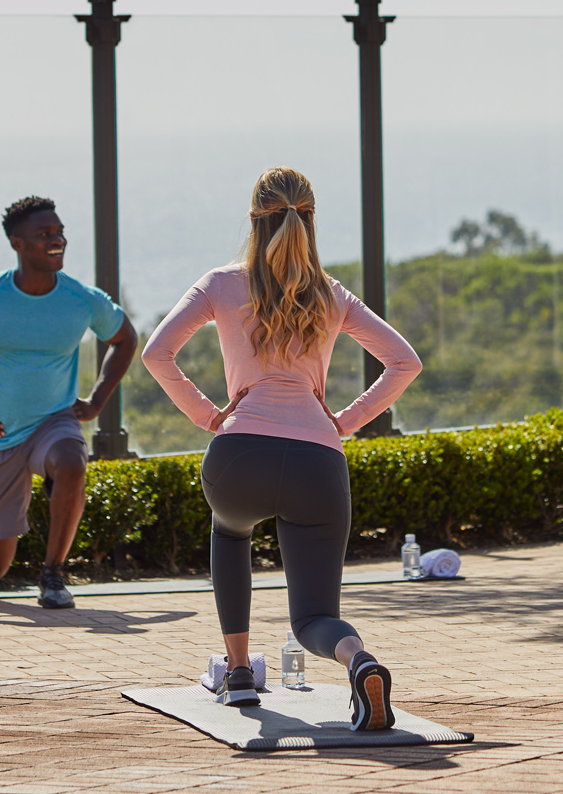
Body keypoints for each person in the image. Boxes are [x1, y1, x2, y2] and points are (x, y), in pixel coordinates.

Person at [141, 167, 421, 729]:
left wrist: (209, 415)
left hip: (240, 454)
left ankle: (239, 673)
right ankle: (359, 660)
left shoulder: (221, 283)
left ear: (252, 221)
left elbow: (156, 353)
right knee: (315, 616)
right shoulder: (332, 294)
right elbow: (404, 362)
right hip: (318, 463)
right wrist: (345, 421)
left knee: (230, 529)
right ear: (311, 222)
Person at [0, 196, 140, 608]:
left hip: (54, 422)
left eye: (58, 232)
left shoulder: (81, 298)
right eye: (44, 235)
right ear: (16, 243)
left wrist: (96, 401)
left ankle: (53, 574)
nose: (56, 240)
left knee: (73, 462)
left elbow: (125, 338)